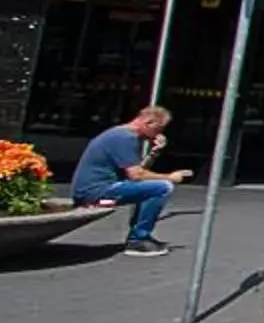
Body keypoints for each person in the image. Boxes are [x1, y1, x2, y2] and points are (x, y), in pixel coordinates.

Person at [72, 105, 189, 255]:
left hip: (101, 190)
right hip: (96, 195)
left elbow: (136, 172)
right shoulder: (125, 137)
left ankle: (139, 237)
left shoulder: (125, 136)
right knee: (163, 187)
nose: (158, 135)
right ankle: (138, 239)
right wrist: (170, 177)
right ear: (149, 122)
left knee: (151, 187)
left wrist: (154, 153)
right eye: (158, 129)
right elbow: (137, 175)